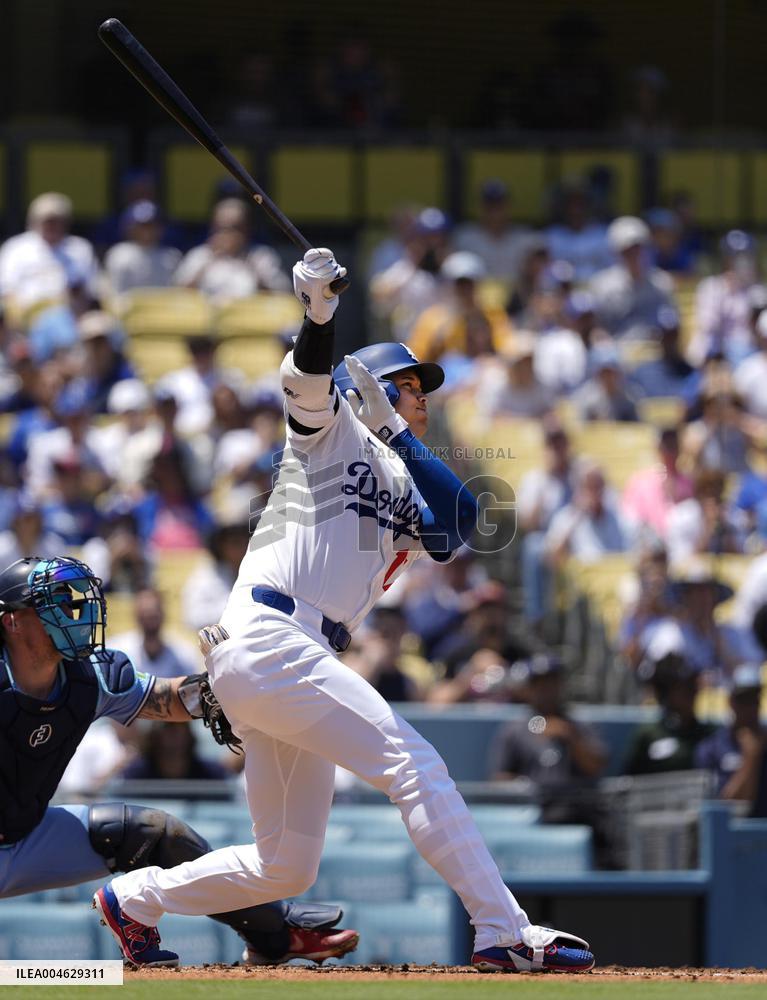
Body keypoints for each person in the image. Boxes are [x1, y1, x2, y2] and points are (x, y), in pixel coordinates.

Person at [95, 247, 594, 973]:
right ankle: (503, 930)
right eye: (409, 385)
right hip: (270, 631)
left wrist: (396, 429)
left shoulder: (400, 458)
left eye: (421, 389)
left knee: (284, 866)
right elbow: (302, 378)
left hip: (293, 657)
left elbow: (459, 523)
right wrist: (320, 314)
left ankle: (135, 899)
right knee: (413, 764)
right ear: (367, 386)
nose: (421, 396)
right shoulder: (328, 432)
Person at [0, 555, 358, 968]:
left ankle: (275, 935)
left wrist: (239, 680)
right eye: (53, 603)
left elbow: (169, 700)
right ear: (11, 621)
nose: (72, 613)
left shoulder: (88, 677)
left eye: (71, 601)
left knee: (154, 833)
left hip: (28, 835)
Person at [623, 653, 715, 775]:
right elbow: (629, 782)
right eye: (684, 688)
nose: (692, 693)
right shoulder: (649, 735)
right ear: (665, 692)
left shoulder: (710, 734)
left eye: (693, 686)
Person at [694, 663, 767, 817]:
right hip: (729, 838)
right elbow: (721, 812)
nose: (750, 708)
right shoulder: (711, 748)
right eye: (743, 700)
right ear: (731, 702)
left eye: (754, 700)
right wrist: (751, 759)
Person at [589, 216, 676, 339]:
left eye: (638, 248)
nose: (635, 255)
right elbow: (597, 328)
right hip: (615, 351)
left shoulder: (662, 282)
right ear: (616, 253)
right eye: (627, 251)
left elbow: (671, 323)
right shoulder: (602, 285)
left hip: (654, 350)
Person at [109, 588, 200, 680]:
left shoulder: (184, 653)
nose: (149, 618)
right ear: (136, 615)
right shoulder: (118, 652)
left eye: (153, 615)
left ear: (163, 614)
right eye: (145, 614)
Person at [104, 200, 182, 297]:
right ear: (130, 227)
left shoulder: (172, 255)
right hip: (127, 309)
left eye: (151, 225)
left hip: (164, 310)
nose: (146, 230)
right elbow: (113, 294)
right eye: (142, 226)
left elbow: (178, 292)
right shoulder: (118, 253)